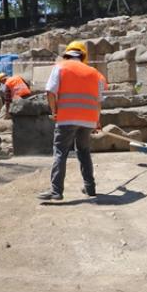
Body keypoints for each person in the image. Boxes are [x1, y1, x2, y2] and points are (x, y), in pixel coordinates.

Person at [38, 40, 107, 201]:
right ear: (83, 56)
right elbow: (98, 101)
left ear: (67, 54)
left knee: (61, 151)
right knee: (83, 151)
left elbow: (50, 92)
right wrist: (96, 121)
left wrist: (55, 112)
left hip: (67, 118)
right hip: (88, 120)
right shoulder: (94, 73)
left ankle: (56, 191)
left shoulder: (60, 67)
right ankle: (90, 188)